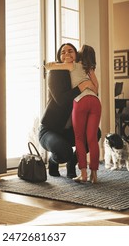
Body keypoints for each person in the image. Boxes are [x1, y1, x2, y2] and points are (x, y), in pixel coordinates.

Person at [39, 43, 99, 179]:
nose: (66, 54)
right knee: (63, 152)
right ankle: (53, 160)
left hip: (70, 130)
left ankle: (72, 163)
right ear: (59, 58)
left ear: (76, 55)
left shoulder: (79, 72)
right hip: (50, 129)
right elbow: (61, 100)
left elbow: (93, 93)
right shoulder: (55, 73)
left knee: (96, 133)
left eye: (70, 51)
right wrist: (81, 87)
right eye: (63, 52)